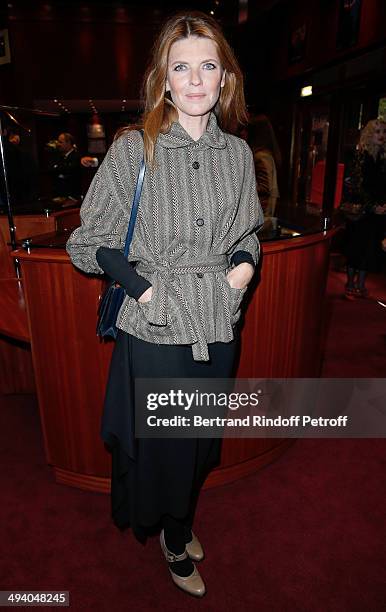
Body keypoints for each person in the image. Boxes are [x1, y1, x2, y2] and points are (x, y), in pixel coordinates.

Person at [66, 11, 264, 598]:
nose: (196, 79)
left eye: (208, 66)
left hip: (218, 322)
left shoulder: (239, 156)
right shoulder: (135, 149)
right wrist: (146, 289)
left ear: (225, 79)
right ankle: (173, 537)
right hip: (154, 328)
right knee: (165, 448)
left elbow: (246, 234)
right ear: (164, 79)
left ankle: (180, 520)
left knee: (201, 439)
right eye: (183, 67)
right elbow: (90, 239)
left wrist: (243, 270)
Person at [343, 118, 386, 299]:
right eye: (377, 132)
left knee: (369, 248)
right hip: (360, 211)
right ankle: (350, 284)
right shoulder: (360, 155)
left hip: (377, 211)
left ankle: (360, 284)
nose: (382, 135)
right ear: (369, 134)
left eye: (384, 132)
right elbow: (356, 185)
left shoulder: (382, 157)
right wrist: (371, 206)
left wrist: (382, 205)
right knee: (356, 247)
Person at [248, 114, 281, 217]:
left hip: (261, 212)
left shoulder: (261, 156)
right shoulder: (266, 154)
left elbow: (264, 189)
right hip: (265, 211)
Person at [50, 132, 82, 200]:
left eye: (61, 142)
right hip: (58, 194)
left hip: (71, 195)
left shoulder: (77, 156)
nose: (58, 144)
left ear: (68, 143)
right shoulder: (58, 156)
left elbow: (69, 172)